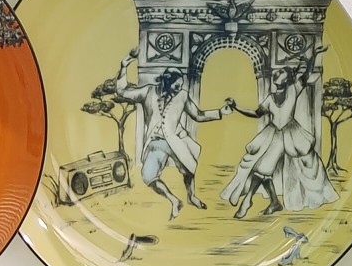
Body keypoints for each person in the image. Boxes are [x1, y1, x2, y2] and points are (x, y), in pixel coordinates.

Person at [111, 48, 229, 219]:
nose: (178, 90)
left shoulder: (182, 96)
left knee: (189, 169)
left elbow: (198, 115)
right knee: (148, 176)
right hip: (155, 142)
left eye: (180, 87)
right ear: (167, 81)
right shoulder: (148, 92)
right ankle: (174, 200)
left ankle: (191, 197)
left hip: (176, 139)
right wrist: (124, 66)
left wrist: (219, 112)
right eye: (176, 86)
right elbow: (121, 91)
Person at [220, 53, 338, 218]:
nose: (277, 73)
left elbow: (306, 74)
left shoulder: (293, 89)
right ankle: (262, 202)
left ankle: (251, 201)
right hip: (274, 134)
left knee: (273, 168)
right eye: (277, 72)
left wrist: (312, 57)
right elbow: (256, 113)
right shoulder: (270, 98)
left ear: (287, 79)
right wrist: (236, 106)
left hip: (291, 134)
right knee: (262, 168)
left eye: (281, 72)